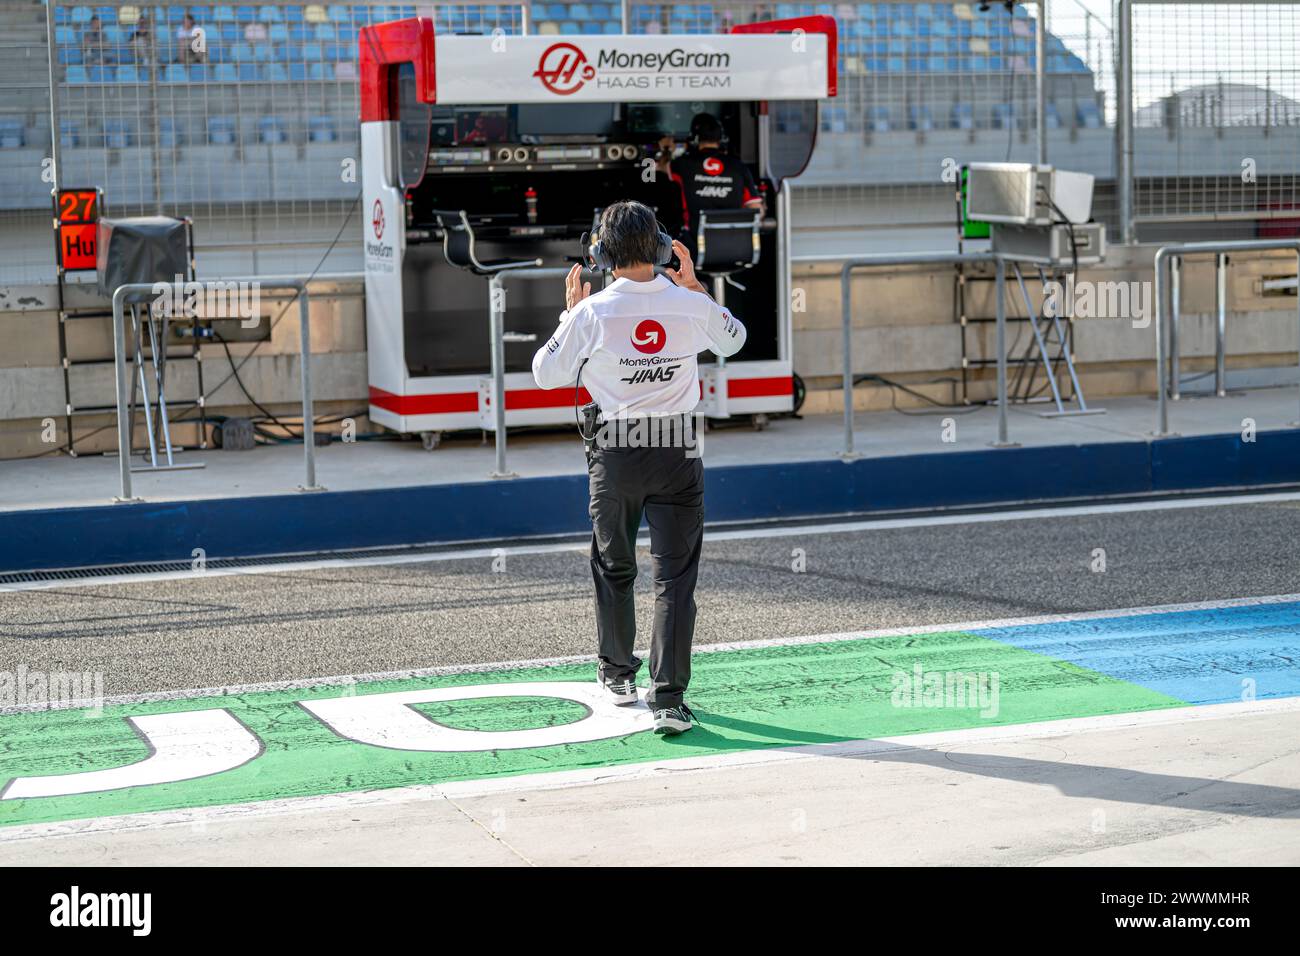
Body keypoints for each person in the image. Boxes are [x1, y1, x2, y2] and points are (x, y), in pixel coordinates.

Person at [531, 200, 747, 736]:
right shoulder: (687, 304)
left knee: (613, 563)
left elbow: (544, 373)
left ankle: (618, 675)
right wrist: (695, 289)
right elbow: (734, 339)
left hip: (617, 449)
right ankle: (670, 700)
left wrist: (568, 314)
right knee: (675, 577)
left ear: (601, 255)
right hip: (676, 446)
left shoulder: (592, 311)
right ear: (658, 248)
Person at [671, 112, 764, 250]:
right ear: (721, 139)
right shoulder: (739, 167)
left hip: (693, 247)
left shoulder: (681, 164)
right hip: (736, 249)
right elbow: (757, 210)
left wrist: (668, 149)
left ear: (694, 139)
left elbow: (658, 171)